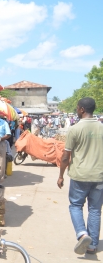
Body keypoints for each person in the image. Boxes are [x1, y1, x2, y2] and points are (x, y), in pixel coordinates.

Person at [57, 97, 103, 255]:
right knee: (95, 210)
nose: (77, 110)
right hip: (99, 176)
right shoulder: (101, 127)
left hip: (80, 176)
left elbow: (65, 157)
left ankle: (82, 234)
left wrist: (61, 175)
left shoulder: (74, 129)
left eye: (77, 108)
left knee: (76, 206)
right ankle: (92, 246)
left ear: (82, 109)